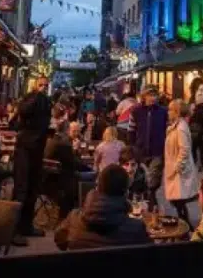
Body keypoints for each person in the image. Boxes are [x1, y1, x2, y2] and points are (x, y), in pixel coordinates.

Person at [54, 164, 151, 250]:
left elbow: (60, 242)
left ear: (97, 187)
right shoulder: (136, 229)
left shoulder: (73, 219)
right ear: (126, 192)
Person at [12, 76, 52, 246]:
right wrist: (37, 96)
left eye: (45, 85)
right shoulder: (31, 99)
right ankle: (13, 229)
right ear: (35, 85)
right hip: (25, 148)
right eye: (40, 85)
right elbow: (23, 111)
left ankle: (26, 225)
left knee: (32, 187)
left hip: (37, 147)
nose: (43, 87)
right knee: (21, 187)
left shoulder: (45, 101)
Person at [128, 86, 167, 209]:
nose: (153, 98)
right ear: (144, 97)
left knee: (153, 180)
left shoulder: (163, 112)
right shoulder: (135, 111)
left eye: (155, 95)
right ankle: (148, 203)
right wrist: (133, 148)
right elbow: (131, 131)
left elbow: (168, 130)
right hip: (141, 151)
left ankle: (150, 201)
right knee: (142, 179)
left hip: (157, 150)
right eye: (150, 95)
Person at [164, 99, 198, 230]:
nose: (168, 112)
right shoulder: (176, 126)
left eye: (170, 110)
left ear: (176, 112)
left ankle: (186, 227)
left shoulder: (181, 128)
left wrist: (177, 167)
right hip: (174, 170)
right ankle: (186, 226)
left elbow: (184, 150)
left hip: (179, 172)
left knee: (178, 200)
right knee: (177, 201)